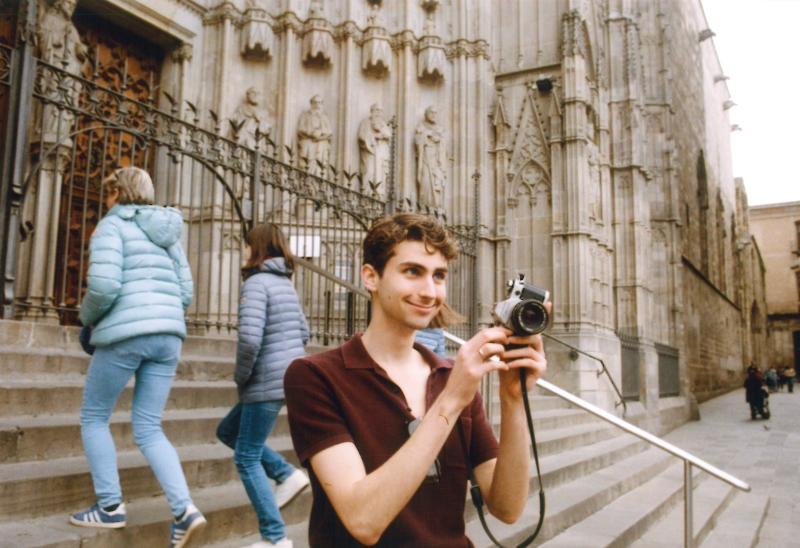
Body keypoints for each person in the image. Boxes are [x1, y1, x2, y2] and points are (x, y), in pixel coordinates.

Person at [284, 212, 548, 546]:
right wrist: (450, 401)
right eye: (412, 272)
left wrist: (513, 402)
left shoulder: (450, 376)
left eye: (439, 276)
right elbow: (363, 520)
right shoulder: (315, 377)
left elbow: (507, 508)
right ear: (371, 277)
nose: (429, 291)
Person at [69, 167, 206, 548]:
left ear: (117, 194)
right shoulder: (167, 233)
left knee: (94, 416)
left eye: (108, 194)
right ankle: (185, 511)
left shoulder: (112, 227)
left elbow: (105, 285)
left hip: (126, 335)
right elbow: (186, 290)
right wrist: (161, 316)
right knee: (148, 427)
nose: (106, 201)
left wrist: (88, 320)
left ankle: (110, 506)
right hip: (168, 337)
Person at [216, 223, 311, 548]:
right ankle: (285, 473)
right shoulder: (285, 283)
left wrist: (242, 375)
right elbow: (304, 333)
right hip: (285, 378)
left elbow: (249, 341)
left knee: (246, 457)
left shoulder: (256, 283)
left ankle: (274, 538)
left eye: (246, 246)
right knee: (227, 431)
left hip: (263, 382)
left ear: (256, 248)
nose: (243, 251)